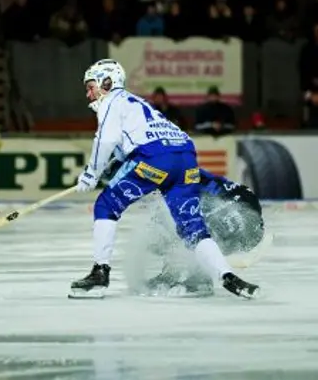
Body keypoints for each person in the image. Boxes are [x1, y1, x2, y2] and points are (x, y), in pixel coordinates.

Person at [70, 59, 259, 299]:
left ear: (107, 82)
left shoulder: (111, 101)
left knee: (106, 205)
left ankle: (100, 273)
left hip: (156, 158)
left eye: (91, 86)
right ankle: (227, 276)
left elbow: (105, 140)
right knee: (192, 227)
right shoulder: (137, 103)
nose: (88, 94)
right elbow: (125, 146)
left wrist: (90, 174)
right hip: (185, 158)